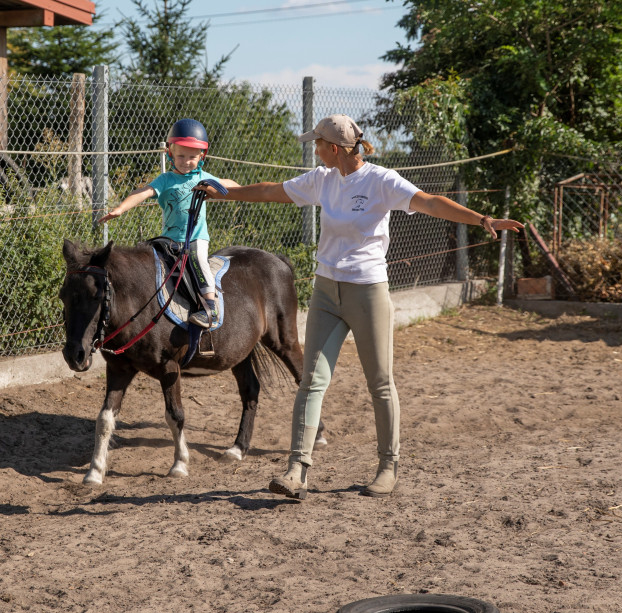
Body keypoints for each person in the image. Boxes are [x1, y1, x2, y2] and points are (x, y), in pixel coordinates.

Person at [203, 114, 524, 499]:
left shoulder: (380, 181)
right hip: (325, 292)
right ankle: (296, 470)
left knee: (381, 384)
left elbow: (430, 202)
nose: (314, 149)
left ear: (334, 148)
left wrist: (482, 219)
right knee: (311, 381)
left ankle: (388, 467)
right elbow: (271, 191)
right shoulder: (322, 180)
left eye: (317, 144)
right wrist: (223, 191)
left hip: (367, 292)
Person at [99, 118, 240, 328]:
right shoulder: (165, 180)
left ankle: (211, 308)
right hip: (168, 239)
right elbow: (143, 192)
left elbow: (230, 185)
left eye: (192, 156)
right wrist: (121, 208)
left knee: (198, 260)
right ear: (170, 154)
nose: (186, 161)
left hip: (195, 238)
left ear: (202, 156)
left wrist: (227, 188)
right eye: (181, 155)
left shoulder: (204, 177)